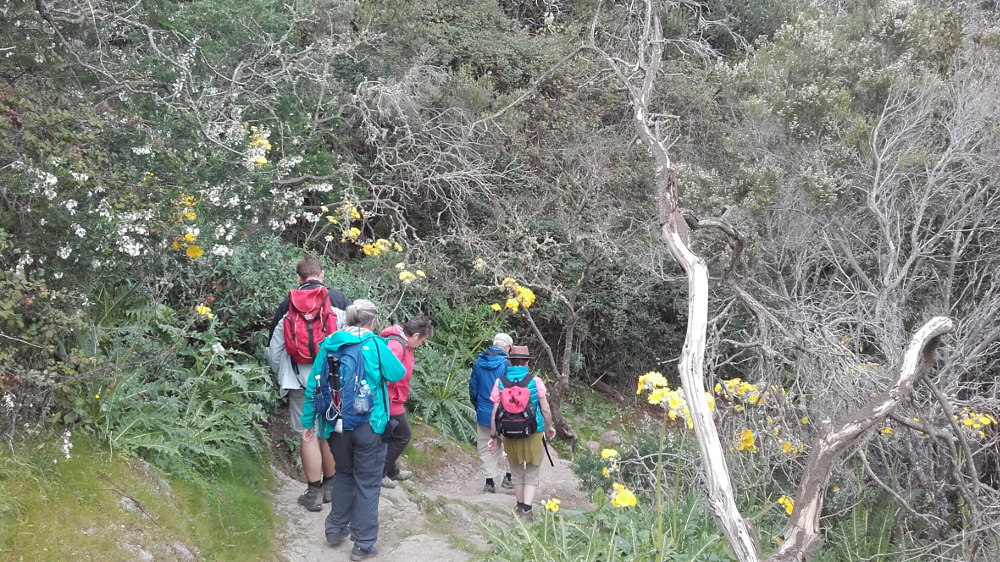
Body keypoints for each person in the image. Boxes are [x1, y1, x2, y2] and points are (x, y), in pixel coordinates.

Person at [301, 299, 405, 561]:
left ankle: (335, 530)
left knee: (344, 474)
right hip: (370, 424)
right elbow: (397, 373)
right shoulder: (375, 344)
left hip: (335, 424)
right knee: (367, 483)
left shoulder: (330, 343)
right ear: (372, 321)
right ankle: (364, 544)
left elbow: (313, 385)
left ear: (347, 319)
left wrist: (308, 424)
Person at [266, 255, 351, 511]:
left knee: (308, 433)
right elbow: (350, 343)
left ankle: (313, 493)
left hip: (300, 383)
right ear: (322, 275)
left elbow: (274, 351)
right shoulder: (338, 301)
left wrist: (285, 375)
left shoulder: (288, 305)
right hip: (333, 382)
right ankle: (331, 487)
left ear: (298, 277)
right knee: (329, 431)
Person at [488, 345, 556, 522]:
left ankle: (519, 506)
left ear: (510, 362)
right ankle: (527, 509)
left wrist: (493, 437)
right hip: (534, 432)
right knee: (532, 470)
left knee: (516, 471)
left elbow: (494, 413)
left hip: (509, 433)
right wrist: (549, 427)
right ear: (527, 362)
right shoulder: (535, 381)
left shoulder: (500, 382)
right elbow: (545, 409)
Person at [378, 316, 434, 489]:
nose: (421, 344)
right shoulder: (397, 346)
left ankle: (392, 471)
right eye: (422, 341)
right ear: (416, 335)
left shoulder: (403, 344)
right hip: (390, 400)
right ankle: (380, 474)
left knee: (390, 435)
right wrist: (389, 396)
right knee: (403, 435)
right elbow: (384, 373)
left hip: (393, 399)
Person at [470, 333, 514, 493]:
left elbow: (473, 388)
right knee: (510, 446)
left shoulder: (479, 362)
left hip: (484, 413)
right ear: (508, 348)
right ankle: (508, 478)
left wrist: (479, 407)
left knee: (486, 447)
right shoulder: (507, 364)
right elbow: (510, 390)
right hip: (505, 414)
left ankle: (489, 482)